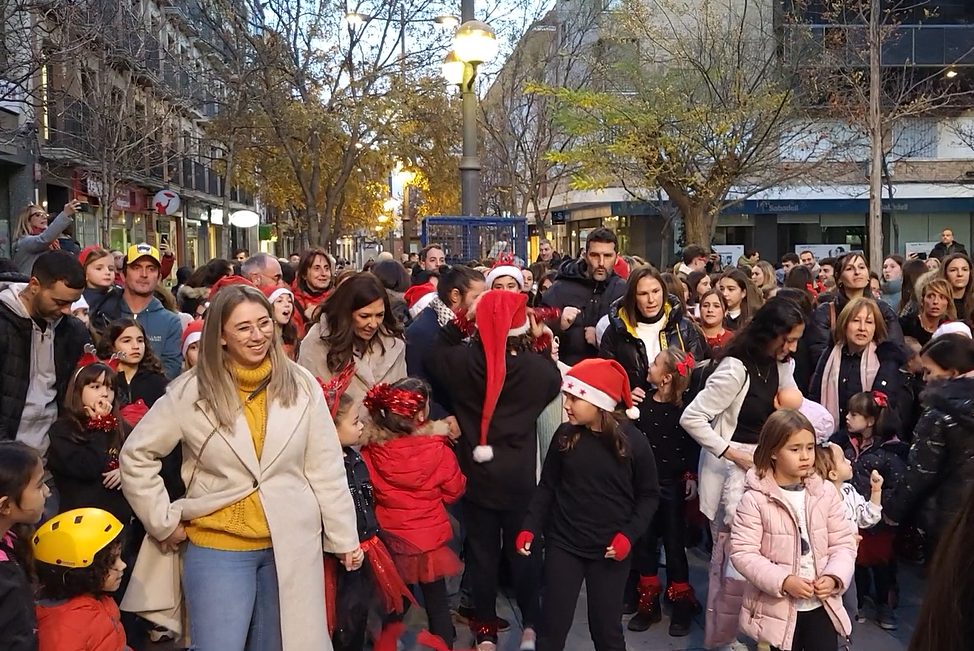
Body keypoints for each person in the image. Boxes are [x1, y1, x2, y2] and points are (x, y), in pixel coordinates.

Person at [120, 284, 360, 651]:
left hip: (290, 543)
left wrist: (344, 538)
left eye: (264, 323)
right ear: (222, 336)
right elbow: (137, 456)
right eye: (244, 327)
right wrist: (161, 520)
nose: (258, 335)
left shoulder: (302, 385)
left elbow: (325, 466)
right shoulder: (190, 392)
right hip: (219, 545)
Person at [426, 290, 562, 651]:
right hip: (520, 479)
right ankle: (531, 624)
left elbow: (434, 356)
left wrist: (462, 321)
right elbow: (552, 378)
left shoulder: (462, 363)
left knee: (482, 555)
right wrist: (542, 341)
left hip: (477, 478)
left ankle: (484, 628)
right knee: (526, 550)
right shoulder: (536, 370)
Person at [680, 297, 805, 650]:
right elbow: (692, 417)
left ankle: (762, 633)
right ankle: (722, 637)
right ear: (772, 333)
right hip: (731, 475)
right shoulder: (735, 368)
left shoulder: (780, 365)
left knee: (765, 560)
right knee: (731, 564)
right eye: (790, 340)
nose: (793, 348)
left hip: (768, 468)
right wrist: (731, 452)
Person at [517, 358, 659, 651]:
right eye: (566, 397)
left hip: (609, 550)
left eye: (574, 398)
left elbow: (649, 496)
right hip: (564, 544)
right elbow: (548, 486)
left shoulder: (633, 443)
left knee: (606, 631)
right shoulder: (565, 436)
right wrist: (531, 525)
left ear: (598, 402)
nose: (566, 404)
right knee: (552, 628)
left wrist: (627, 537)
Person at [729, 409, 857, 651]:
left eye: (810, 447)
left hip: (821, 604)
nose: (805, 456)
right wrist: (784, 580)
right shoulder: (755, 500)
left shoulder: (825, 492)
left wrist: (834, 576)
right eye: (795, 449)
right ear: (774, 451)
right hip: (776, 610)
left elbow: (843, 543)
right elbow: (743, 553)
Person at [361, 378, 465, 649]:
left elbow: (368, 493)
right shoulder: (438, 449)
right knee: (437, 603)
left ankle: (385, 645)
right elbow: (454, 491)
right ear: (420, 413)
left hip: (392, 539)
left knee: (394, 603)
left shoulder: (372, 450)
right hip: (429, 543)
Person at [320, 371, 412, 651]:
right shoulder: (325, 468)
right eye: (355, 422)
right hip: (341, 558)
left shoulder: (355, 457)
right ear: (331, 429)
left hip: (368, 547)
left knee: (372, 611)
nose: (361, 427)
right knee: (343, 621)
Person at [627, 349, 699, 636]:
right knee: (644, 544)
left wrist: (691, 475)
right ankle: (648, 604)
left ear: (667, 377)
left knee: (673, 544)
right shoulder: (642, 402)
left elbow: (693, 443)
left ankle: (681, 603)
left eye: (655, 363)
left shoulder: (684, 409)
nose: (649, 365)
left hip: (672, 484)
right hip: (643, 486)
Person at [885, 334, 974, 553]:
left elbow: (920, 471)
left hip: (950, 519)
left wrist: (892, 511)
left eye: (929, 372)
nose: (924, 379)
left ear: (952, 373)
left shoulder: (938, 413)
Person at [0, 251, 90, 460]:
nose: (67, 310)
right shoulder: (4, 324)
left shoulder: (73, 330)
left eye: (73, 302)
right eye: (60, 302)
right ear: (34, 285)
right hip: (9, 461)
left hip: (55, 456)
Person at [828, 391, 905, 630]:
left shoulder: (891, 451)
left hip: (878, 517)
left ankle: (884, 605)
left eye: (854, 414)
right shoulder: (843, 441)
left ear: (870, 421)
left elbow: (897, 485)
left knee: (881, 562)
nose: (847, 417)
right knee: (856, 562)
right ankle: (857, 602)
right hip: (849, 513)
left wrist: (885, 511)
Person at [598, 265, 708, 396]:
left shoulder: (685, 328)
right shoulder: (615, 332)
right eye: (643, 294)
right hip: (633, 411)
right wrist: (624, 395)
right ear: (633, 297)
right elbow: (605, 378)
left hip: (679, 409)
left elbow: (697, 374)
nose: (651, 300)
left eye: (656, 291)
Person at [299, 273, 406, 407]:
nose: (373, 324)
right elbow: (312, 405)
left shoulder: (394, 344)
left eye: (379, 315)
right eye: (364, 316)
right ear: (346, 313)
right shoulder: (317, 345)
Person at [46, 357, 130, 522]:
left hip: (117, 520)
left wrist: (126, 472)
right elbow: (87, 468)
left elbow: (145, 461)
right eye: (95, 387)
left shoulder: (121, 427)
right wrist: (101, 425)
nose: (105, 394)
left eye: (110, 388)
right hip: (79, 521)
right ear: (79, 390)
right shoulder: (63, 430)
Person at [33, 508, 128, 651]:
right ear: (82, 572)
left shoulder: (99, 599)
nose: (122, 565)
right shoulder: (64, 630)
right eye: (110, 561)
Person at [809, 298, 906, 432]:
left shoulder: (886, 359)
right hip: (830, 435)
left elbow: (881, 410)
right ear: (844, 324)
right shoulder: (831, 354)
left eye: (869, 322)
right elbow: (815, 396)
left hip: (869, 441)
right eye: (855, 321)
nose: (862, 328)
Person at [88, 244, 183, 379]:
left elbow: (170, 369)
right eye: (136, 268)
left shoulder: (170, 321)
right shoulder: (102, 312)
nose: (144, 275)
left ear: (159, 278)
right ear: (122, 274)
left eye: (151, 269)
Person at [404, 266, 485, 421]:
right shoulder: (422, 331)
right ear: (455, 295)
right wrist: (443, 415)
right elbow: (416, 384)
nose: (482, 303)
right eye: (477, 297)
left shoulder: (468, 327)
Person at [542, 228, 626, 365]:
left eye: (608, 256)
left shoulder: (623, 290)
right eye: (595, 255)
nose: (601, 263)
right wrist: (559, 325)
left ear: (617, 257)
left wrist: (601, 338)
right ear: (585, 256)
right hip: (568, 375)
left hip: (610, 376)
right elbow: (536, 332)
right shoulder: (560, 289)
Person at [806, 253, 904, 363]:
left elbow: (896, 349)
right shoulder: (826, 313)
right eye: (849, 269)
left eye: (862, 267)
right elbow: (820, 355)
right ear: (839, 278)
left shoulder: (882, 310)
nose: (857, 272)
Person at [0, 441, 48, 651]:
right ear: (5, 506)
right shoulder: (4, 577)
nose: (46, 492)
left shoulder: (12, 537)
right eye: (38, 486)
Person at [12, 200, 81, 275]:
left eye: (44, 214)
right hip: (29, 284)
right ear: (27, 221)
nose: (44, 216)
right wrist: (65, 214)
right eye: (38, 215)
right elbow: (44, 239)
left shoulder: (53, 242)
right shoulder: (24, 241)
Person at [899, 277, 955, 347]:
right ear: (922, 301)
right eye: (930, 296)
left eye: (942, 297)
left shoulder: (948, 331)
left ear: (948, 303)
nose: (935, 302)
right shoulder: (905, 325)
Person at [291, 248, 334, 326]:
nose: (323, 273)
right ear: (304, 274)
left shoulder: (340, 299)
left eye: (326, 268)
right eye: (317, 268)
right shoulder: (293, 302)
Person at [940, 253, 973, 323]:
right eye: (953, 270)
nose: (960, 274)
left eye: (965, 269)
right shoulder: (937, 303)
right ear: (945, 273)